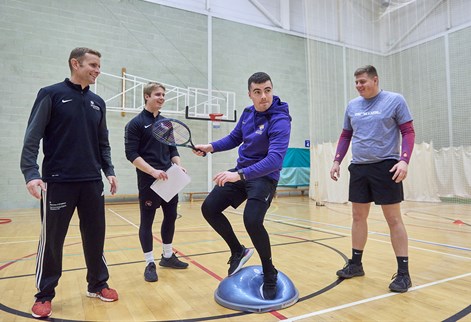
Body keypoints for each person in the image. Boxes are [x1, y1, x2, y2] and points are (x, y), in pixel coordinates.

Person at [20, 47, 119, 319]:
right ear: (75, 64)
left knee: (95, 237)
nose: (98, 70)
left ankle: (97, 284)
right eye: (93, 65)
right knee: (52, 240)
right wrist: (31, 173)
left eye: (99, 66)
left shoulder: (98, 102)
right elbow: (32, 137)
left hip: (91, 182)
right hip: (57, 182)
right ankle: (45, 294)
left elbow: (103, 142)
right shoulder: (50, 94)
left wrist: (108, 170)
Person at [193, 72, 291, 300]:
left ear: (272, 89)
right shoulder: (248, 114)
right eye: (257, 92)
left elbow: (275, 160)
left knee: (252, 220)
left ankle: (269, 272)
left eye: (267, 90)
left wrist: (239, 175)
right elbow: (234, 137)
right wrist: (210, 147)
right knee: (209, 208)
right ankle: (238, 250)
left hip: (265, 176)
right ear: (250, 94)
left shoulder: (280, 119)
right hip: (242, 173)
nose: (264, 96)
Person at [330, 65, 415, 293]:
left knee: (393, 219)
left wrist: (404, 160)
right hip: (359, 168)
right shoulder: (352, 106)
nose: (358, 86)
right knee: (358, 216)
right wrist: (337, 160)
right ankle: (356, 264)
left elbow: (408, 131)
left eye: (362, 81)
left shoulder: (395, 100)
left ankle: (404, 274)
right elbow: (346, 134)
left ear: (375, 80)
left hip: (386, 166)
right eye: (356, 82)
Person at [124, 82, 189, 283]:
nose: (161, 97)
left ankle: (167, 256)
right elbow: (131, 154)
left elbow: (173, 150)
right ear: (146, 96)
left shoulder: (166, 124)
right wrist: (152, 171)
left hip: (169, 179)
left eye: (163, 95)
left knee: (170, 217)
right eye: (157, 94)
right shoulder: (135, 124)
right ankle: (149, 262)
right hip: (148, 181)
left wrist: (178, 165)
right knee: (147, 222)